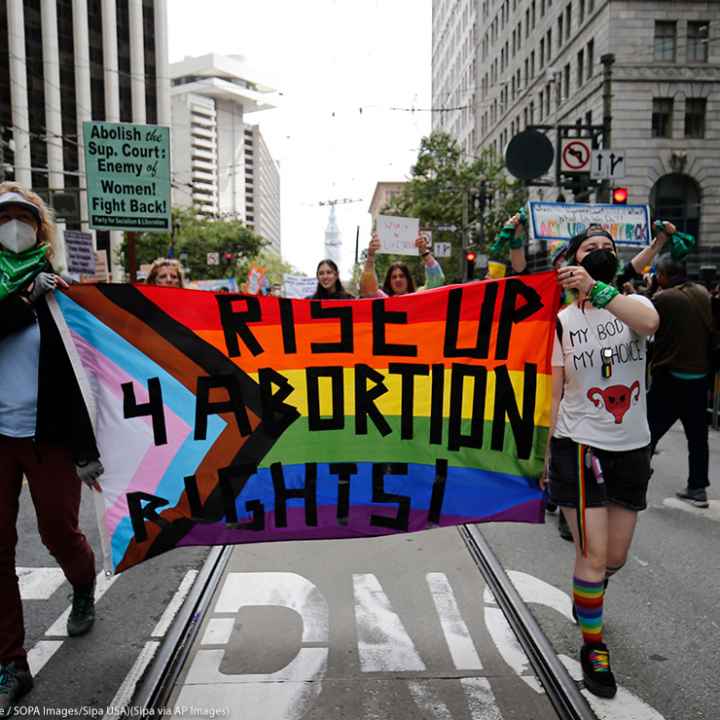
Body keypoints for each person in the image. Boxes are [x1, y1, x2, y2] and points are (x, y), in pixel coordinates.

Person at [0, 184, 104, 715]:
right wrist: (23, 299)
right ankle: (12, 664)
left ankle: (82, 584)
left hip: (49, 438)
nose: (13, 226)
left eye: (24, 217)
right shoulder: (26, 295)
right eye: (5, 217)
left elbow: (76, 379)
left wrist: (87, 451)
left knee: (58, 530)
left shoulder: (59, 294)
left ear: (40, 231)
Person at [543, 225, 659, 699]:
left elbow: (649, 325)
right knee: (591, 556)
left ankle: (586, 597)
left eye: (608, 248)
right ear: (571, 261)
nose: (601, 252)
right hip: (580, 445)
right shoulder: (561, 321)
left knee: (614, 558)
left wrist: (599, 290)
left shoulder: (636, 308)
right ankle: (593, 645)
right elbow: (554, 390)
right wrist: (546, 453)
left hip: (631, 448)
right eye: (590, 248)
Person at [647, 254, 713, 508]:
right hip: (698, 376)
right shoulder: (702, 292)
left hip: (669, 375)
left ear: (662, 275)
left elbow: (647, 324)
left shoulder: (664, 298)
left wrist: (652, 290)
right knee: (697, 436)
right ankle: (698, 488)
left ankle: (635, 480)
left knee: (649, 432)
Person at [359, 234, 445, 297]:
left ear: (408, 279)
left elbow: (437, 280)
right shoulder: (383, 300)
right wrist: (370, 256)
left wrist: (424, 252)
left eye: (402, 276)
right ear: (389, 281)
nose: (398, 279)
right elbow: (367, 289)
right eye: (394, 277)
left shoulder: (419, 297)